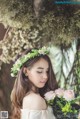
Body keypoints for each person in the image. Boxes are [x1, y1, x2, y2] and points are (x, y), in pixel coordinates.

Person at [10, 47, 58, 119]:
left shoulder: (30, 97)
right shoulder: (35, 100)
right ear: (26, 71)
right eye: (39, 71)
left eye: (47, 71)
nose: (45, 76)